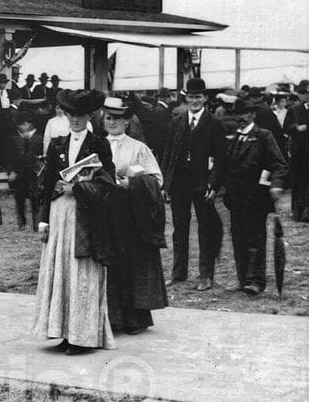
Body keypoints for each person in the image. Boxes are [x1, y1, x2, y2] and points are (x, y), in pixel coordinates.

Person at [33, 89, 118, 353]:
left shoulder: (99, 144)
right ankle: (61, 331)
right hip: (60, 215)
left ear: (89, 115)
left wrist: (79, 189)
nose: (75, 120)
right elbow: (45, 185)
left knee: (81, 272)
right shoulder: (57, 144)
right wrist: (43, 219)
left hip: (86, 217)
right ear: (65, 115)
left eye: (80, 115)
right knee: (60, 270)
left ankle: (81, 335)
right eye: (71, 114)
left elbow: (108, 185)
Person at [101, 97, 168, 335]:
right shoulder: (96, 145)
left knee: (130, 264)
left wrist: (132, 183)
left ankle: (132, 318)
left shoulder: (138, 148)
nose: (112, 123)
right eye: (108, 118)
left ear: (127, 121)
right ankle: (110, 318)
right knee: (108, 266)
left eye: (117, 118)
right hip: (104, 213)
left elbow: (156, 179)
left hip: (131, 214)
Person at [210, 97, 287, 296]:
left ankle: (256, 282)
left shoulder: (263, 136)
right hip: (235, 200)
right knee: (238, 239)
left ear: (253, 114)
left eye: (244, 114)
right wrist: (214, 187)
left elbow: (279, 165)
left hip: (256, 199)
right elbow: (221, 167)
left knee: (255, 241)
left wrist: (276, 185)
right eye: (237, 115)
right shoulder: (233, 139)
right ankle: (243, 278)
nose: (240, 118)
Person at [161, 77, 227, 291]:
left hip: (202, 183)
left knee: (205, 228)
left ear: (205, 98)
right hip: (180, 182)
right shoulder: (177, 121)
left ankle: (206, 276)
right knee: (179, 228)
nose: (195, 101)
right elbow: (168, 152)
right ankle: (178, 273)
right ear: (186, 98)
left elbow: (220, 158)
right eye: (191, 97)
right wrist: (165, 184)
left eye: (198, 97)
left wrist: (214, 185)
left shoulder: (214, 123)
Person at [8, 114, 44, 231]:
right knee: (19, 199)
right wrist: (12, 171)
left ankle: (36, 223)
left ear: (30, 124)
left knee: (36, 199)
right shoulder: (16, 139)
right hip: (20, 174)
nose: (21, 127)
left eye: (24, 124)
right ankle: (21, 223)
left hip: (34, 174)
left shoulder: (40, 138)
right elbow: (11, 157)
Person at [284, 80, 309, 222]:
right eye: (301, 93)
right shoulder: (293, 110)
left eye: (304, 93)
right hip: (298, 152)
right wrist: (296, 127)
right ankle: (297, 212)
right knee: (298, 181)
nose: (302, 96)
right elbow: (285, 127)